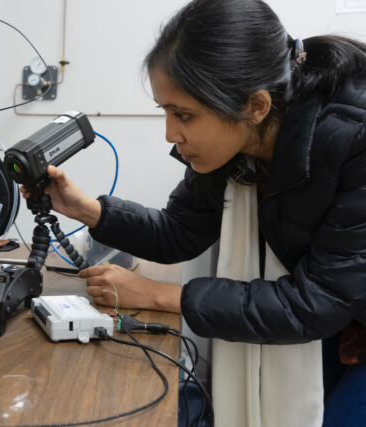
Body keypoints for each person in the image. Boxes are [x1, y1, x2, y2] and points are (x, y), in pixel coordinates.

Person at [20, 0, 366, 426]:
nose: (171, 133)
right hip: (342, 309)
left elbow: (314, 304)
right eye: (165, 111)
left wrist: (159, 296)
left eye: (183, 115)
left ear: (255, 107)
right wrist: (86, 209)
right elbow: (181, 231)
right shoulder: (239, 145)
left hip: (334, 307)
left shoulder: (354, 140)